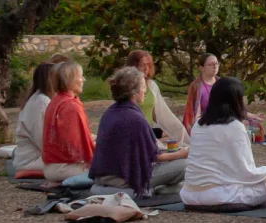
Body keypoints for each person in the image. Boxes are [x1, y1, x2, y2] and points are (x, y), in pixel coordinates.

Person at [181, 77, 266, 207]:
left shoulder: (198, 125)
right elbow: (248, 174)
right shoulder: (234, 126)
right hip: (221, 195)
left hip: (189, 194)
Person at [90, 67, 189, 197]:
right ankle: (154, 189)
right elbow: (155, 157)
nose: (145, 90)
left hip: (105, 174)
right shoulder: (134, 117)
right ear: (134, 92)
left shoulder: (109, 112)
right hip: (122, 177)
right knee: (186, 164)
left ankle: (162, 189)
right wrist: (183, 153)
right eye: (143, 87)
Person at [41, 62, 94, 186]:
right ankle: (65, 183)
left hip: (53, 166)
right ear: (69, 80)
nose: (83, 80)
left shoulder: (58, 100)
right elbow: (74, 147)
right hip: (64, 168)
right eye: (80, 76)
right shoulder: (70, 106)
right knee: (111, 172)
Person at [126, 50, 189, 147]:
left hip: (148, 130)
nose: (146, 68)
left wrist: (176, 129)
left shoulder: (152, 86)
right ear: (134, 67)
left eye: (148, 65)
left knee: (177, 134)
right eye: (142, 65)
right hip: (134, 132)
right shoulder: (126, 87)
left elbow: (160, 113)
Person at [13, 62, 56, 178]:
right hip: (31, 161)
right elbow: (43, 141)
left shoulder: (40, 99)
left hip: (38, 158)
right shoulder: (41, 102)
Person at [182, 54, 221, 132]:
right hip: (204, 124)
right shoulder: (196, 86)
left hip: (222, 121)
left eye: (216, 63)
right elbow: (196, 114)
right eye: (210, 64)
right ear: (201, 68)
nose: (215, 66)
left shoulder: (222, 83)